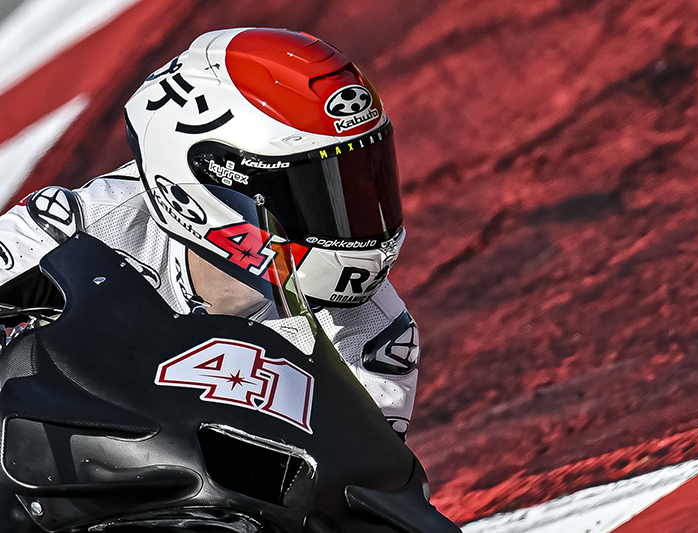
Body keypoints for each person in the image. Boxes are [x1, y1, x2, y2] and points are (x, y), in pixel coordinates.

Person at [0, 27, 419, 438]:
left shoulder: (374, 337)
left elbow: (356, 480)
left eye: (362, 180)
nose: (355, 217)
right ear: (197, 192)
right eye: (311, 192)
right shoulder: (75, 225)